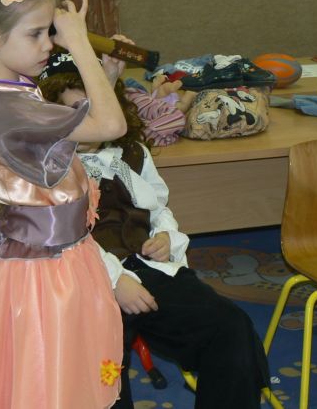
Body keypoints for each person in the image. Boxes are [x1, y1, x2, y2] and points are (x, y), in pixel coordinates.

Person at [39, 50, 270, 409]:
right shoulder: (49, 166)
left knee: (230, 327)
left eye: (94, 107)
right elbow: (64, 237)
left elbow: (158, 208)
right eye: (72, 111)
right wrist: (115, 281)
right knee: (104, 361)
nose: (88, 120)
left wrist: (165, 238)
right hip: (88, 280)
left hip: (149, 268)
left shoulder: (132, 153)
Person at [0, 0, 129, 409]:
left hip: (63, 264)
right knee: (49, 388)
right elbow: (111, 127)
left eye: (50, 32)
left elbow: (64, 152)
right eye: (36, 34)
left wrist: (104, 81)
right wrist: (82, 47)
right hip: (42, 279)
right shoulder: (3, 106)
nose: (49, 45)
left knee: (72, 383)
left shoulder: (13, 91)